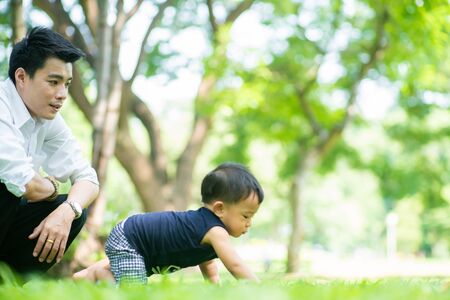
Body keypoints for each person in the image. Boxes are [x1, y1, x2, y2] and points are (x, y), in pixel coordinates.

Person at [0, 27, 99, 275]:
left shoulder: (48, 118)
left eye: (66, 84)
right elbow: (26, 185)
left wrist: (67, 211)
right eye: (53, 82)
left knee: (74, 211)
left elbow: (88, 179)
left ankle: (8, 283)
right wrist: (52, 188)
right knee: (8, 190)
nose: (62, 94)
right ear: (21, 77)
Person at [73, 162, 264, 284]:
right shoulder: (215, 230)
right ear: (220, 209)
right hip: (131, 239)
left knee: (130, 268)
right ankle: (99, 275)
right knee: (135, 293)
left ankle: (86, 275)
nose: (249, 223)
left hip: (141, 245)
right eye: (246, 216)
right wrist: (258, 289)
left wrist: (213, 286)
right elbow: (236, 266)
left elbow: (206, 260)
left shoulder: (207, 229)